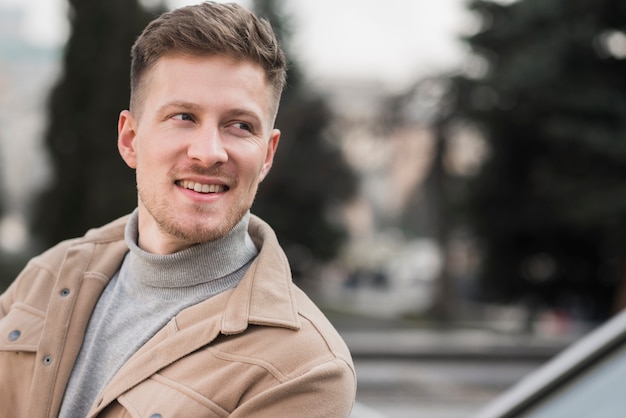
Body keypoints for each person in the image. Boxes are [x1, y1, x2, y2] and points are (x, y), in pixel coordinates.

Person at [0, 2, 356, 417]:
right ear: (130, 139)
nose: (208, 153)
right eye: (183, 117)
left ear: (268, 154)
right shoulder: (47, 276)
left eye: (240, 125)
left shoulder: (304, 368)